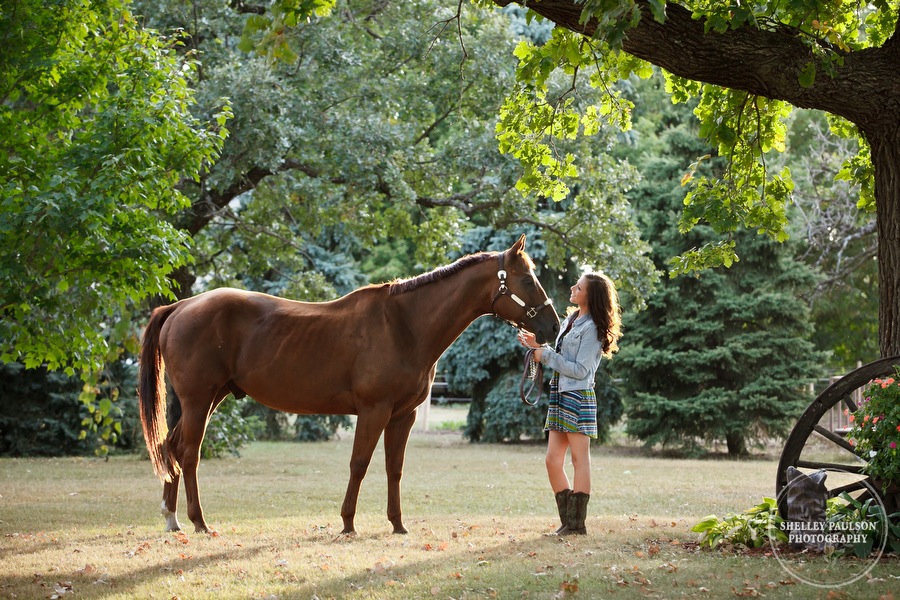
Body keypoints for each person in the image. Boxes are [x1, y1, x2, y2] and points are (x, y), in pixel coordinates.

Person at [517, 272, 622, 536]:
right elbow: (562, 354)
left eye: (580, 286)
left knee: (579, 460)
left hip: (578, 395)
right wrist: (537, 345)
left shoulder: (594, 329)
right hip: (560, 394)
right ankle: (568, 522)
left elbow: (581, 370)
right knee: (553, 460)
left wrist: (547, 356)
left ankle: (577, 525)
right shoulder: (571, 319)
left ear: (591, 295)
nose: (573, 288)